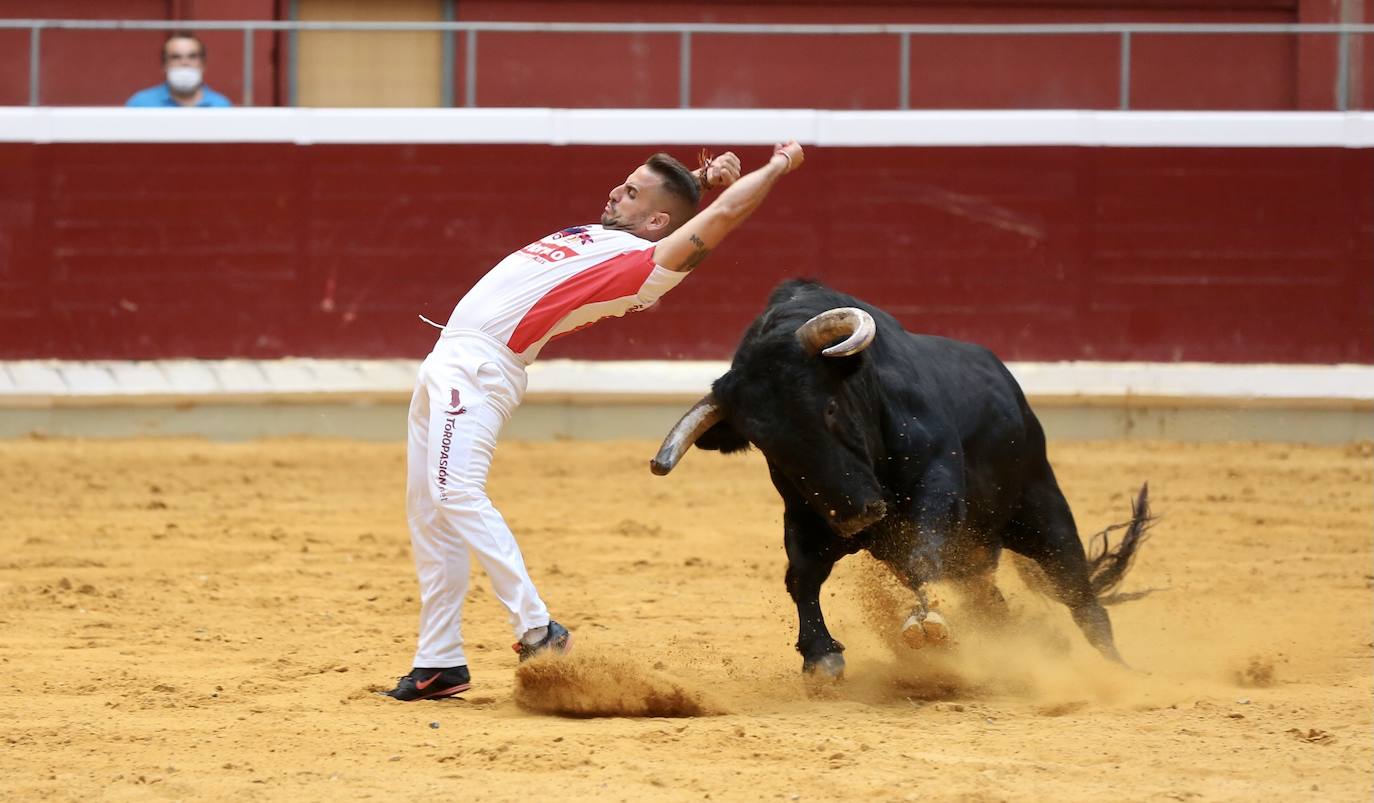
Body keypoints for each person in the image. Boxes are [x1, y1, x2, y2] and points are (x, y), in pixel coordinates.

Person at [383, 141, 807, 701]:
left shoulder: (645, 266)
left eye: (630, 192)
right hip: (450, 359)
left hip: (483, 366)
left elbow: (719, 217)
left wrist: (776, 166)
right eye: (622, 182)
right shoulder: (614, 236)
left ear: (656, 220)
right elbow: (674, 205)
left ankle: (539, 628)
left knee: (455, 491)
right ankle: (439, 662)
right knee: (430, 512)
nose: (614, 192)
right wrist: (700, 178)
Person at [126, 32, 232, 108]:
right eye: (176, 57)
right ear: (164, 65)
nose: (184, 62)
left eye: (192, 56)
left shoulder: (220, 105)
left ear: (203, 64)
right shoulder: (141, 104)